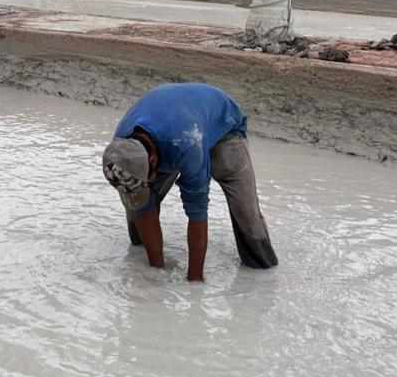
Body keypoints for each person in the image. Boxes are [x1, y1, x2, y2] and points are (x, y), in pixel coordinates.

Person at [101, 83, 277, 281]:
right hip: (176, 126)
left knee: (246, 213)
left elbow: (197, 212)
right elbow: (142, 206)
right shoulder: (121, 152)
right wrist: (155, 274)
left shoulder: (187, 146)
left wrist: (195, 283)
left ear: (153, 162)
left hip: (223, 128)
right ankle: (148, 258)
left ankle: (266, 275)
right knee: (136, 208)